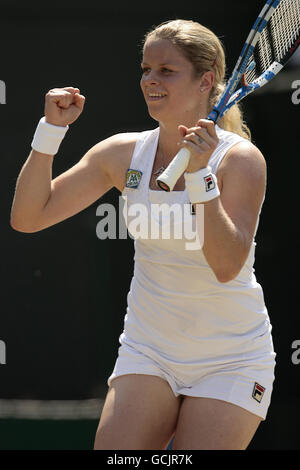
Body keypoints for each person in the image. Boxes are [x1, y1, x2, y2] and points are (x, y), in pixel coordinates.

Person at [10, 19, 276, 450]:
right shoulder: (121, 153)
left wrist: (200, 178)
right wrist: (50, 131)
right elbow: (28, 217)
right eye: (145, 69)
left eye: (165, 71)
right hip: (148, 350)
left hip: (231, 359)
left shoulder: (241, 160)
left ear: (205, 80)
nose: (150, 80)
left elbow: (227, 266)